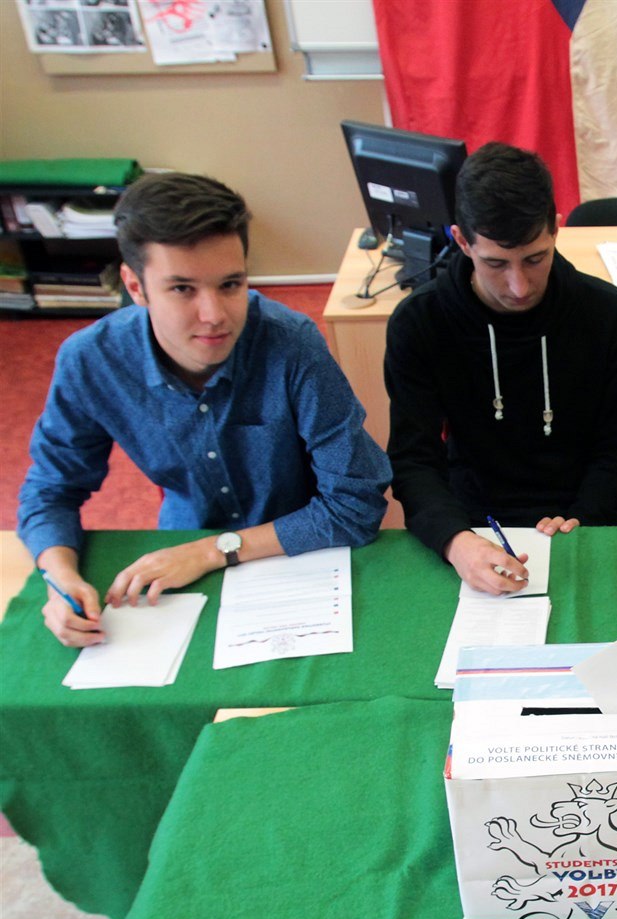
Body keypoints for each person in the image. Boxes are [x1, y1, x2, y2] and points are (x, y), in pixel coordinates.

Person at [18, 172, 391, 649]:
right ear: (135, 286)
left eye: (230, 284)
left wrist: (214, 551)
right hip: (180, 551)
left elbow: (356, 504)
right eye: (182, 289)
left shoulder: (292, 344)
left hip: (300, 549)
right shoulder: (91, 360)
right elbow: (50, 488)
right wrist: (59, 579)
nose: (214, 315)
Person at [385, 142, 617, 594]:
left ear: (555, 229)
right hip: (471, 520)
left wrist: (583, 515)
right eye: (495, 263)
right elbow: (413, 459)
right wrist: (455, 540)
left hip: (585, 513)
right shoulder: (420, 322)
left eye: (535, 258)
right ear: (461, 241)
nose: (519, 286)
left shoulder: (607, 314)